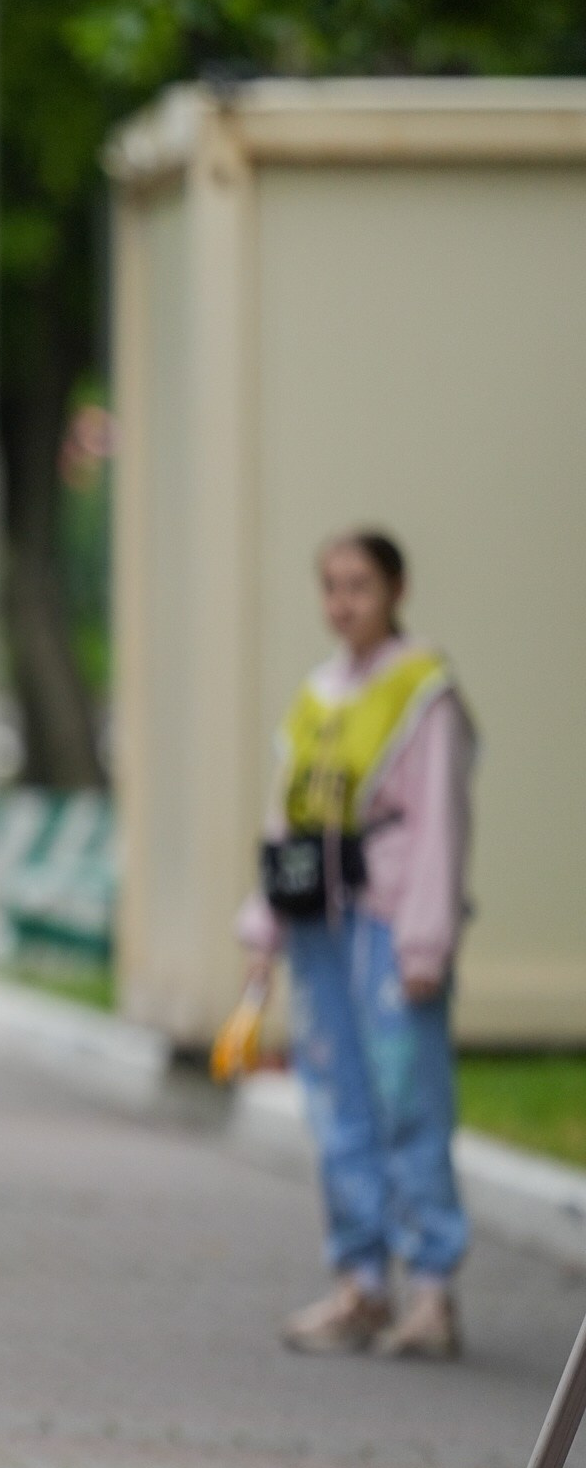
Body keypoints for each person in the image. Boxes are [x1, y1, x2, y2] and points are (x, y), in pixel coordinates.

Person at [232, 528, 475, 1359]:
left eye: (359, 585)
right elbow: (286, 817)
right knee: (337, 1103)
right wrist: (262, 926)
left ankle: (432, 1289)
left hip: (388, 923)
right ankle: (361, 1283)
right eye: (331, 585)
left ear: (396, 590)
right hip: (316, 924)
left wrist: (424, 945)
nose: (343, 602)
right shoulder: (316, 695)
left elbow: (439, 824)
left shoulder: (422, 694)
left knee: (409, 1097)